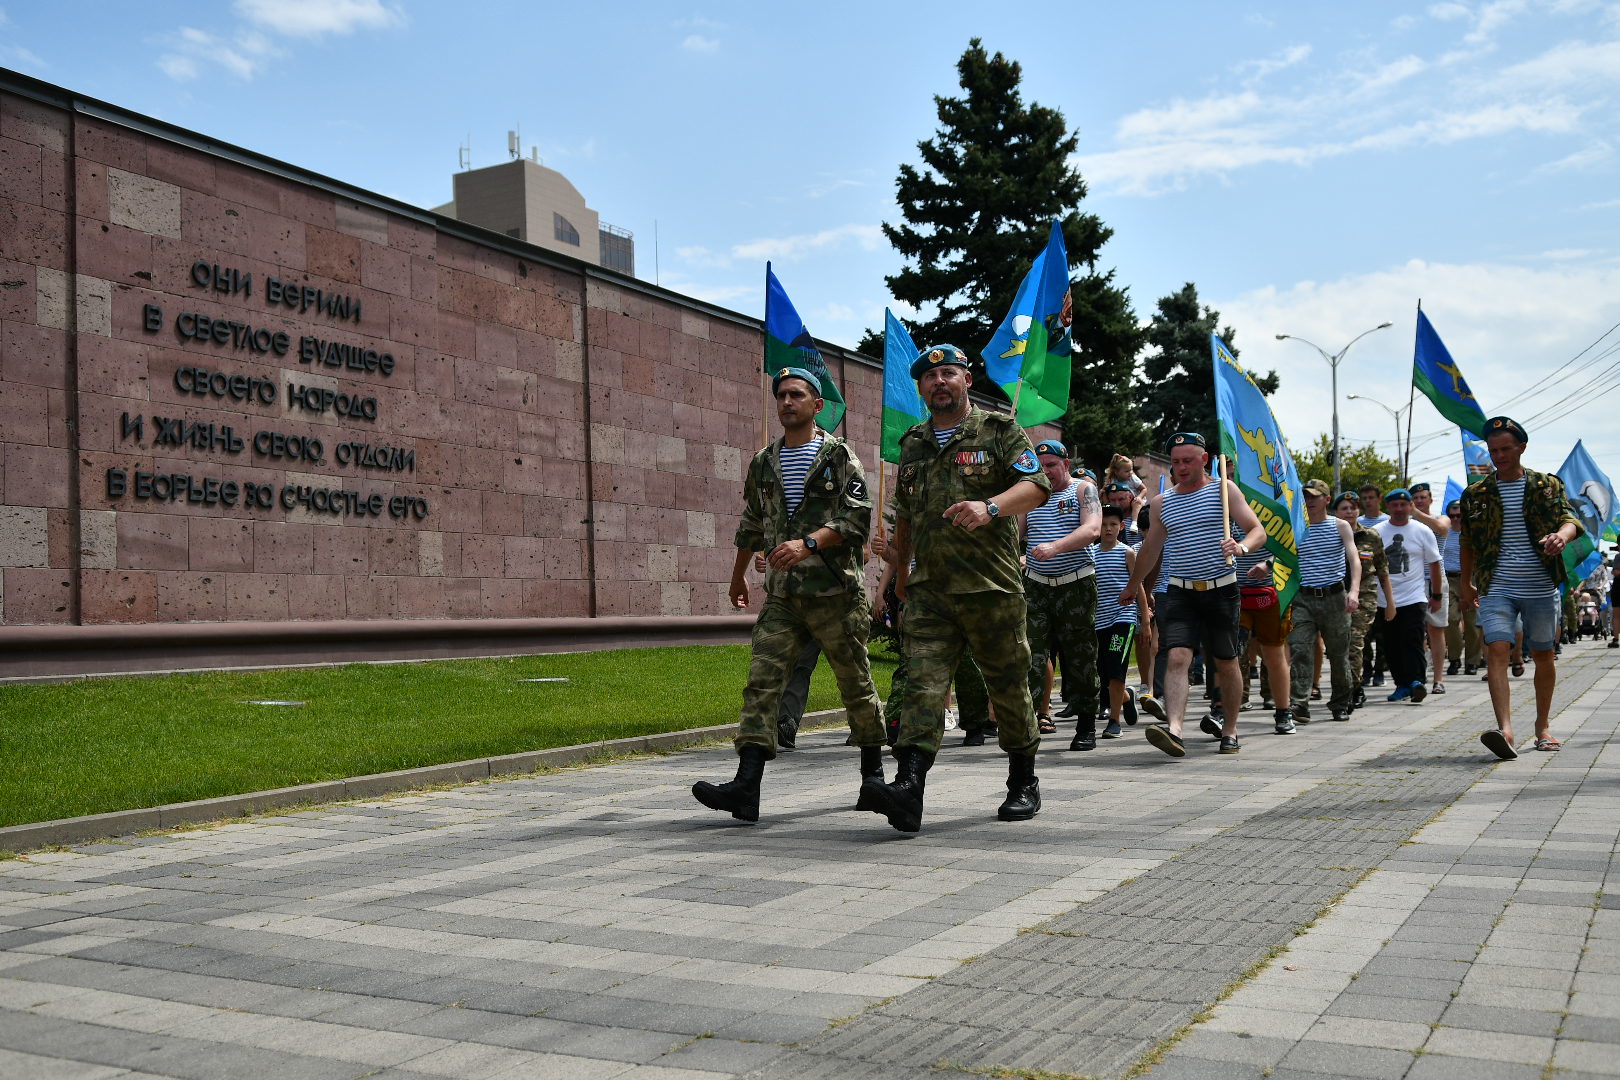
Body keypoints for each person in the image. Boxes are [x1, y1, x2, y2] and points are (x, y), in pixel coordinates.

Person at [870, 344, 1052, 831]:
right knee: (921, 689)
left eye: (949, 373)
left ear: (967, 380)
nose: (939, 382)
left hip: (990, 587)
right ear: (921, 388)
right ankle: (908, 789)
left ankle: (1023, 780)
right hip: (930, 590)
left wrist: (989, 506)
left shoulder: (998, 430)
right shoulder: (913, 441)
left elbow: (1036, 487)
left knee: (1008, 686)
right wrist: (898, 577)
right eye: (930, 378)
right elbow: (906, 514)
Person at [692, 366, 885, 822]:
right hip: (783, 597)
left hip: (835, 593)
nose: (786, 402)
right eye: (780, 395)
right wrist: (738, 576)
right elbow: (752, 523)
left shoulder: (839, 457)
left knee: (855, 684)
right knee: (762, 683)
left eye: (796, 395)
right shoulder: (764, 461)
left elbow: (857, 518)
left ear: (817, 406)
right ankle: (746, 786)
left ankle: (874, 778)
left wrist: (809, 543)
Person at [1119, 432, 1267, 757]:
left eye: (1188, 460)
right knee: (1177, 657)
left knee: (1226, 662)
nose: (1182, 467)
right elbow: (1150, 549)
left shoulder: (1224, 491)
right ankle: (1174, 729)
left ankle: (1229, 728)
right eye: (1175, 462)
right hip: (1181, 591)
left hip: (1222, 589)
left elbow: (1258, 530)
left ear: (1204, 459)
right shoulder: (1162, 503)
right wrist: (1134, 586)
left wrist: (1241, 546)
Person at [1458, 416, 1584, 759]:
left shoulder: (1546, 485)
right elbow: (1467, 540)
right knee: (1496, 648)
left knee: (1543, 654)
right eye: (1493, 450)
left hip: (1541, 585)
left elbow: (1570, 519)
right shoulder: (1476, 493)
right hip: (1496, 584)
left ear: (1522, 448)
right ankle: (1506, 730)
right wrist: (1466, 584)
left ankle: (1542, 727)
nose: (1498, 456)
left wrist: (1561, 536)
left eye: (1505, 449)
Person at [1022, 439, 1101, 747]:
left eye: (1052, 466)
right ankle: (1027, 725)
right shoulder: (1032, 495)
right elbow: (1015, 533)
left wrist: (1056, 547)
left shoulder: (1082, 490)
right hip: (1037, 586)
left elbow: (1092, 529)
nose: (1047, 472)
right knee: (1031, 655)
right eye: (1041, 468)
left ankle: (1086, 724)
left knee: (1080, 655)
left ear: (1066, 465)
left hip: (1075, 584)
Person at [1288, 479, 1362, 723]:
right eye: (1306, 497)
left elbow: (1354, 559)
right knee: (1300, 650)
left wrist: (1354, 591)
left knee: (1339, 655)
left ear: (1326, 499)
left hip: (1334, 597)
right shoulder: (1296, 527)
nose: (1309, 501)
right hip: (1303, 597)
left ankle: (1340, 702)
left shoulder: (1340, 526)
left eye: (1314, 497)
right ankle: (1299, 703)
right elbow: (1285, 558)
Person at [1376, 489, 1443, 704]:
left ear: (1410, 506)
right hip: (1385, 599)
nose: (1399, 509)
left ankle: (1416, 681)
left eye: (1403, 505)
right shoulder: (1377, 532)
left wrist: (1437, 594)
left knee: (1413, 640)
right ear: (1388, 507)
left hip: (1414, 597)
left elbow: (1434, 564)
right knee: (1391, 644)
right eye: (1394, 505)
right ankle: (1401, 685)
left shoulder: (1422, 530)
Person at [1336, 491, 1394, 708]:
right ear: (1336, 512)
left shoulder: (1371, 535)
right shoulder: (1332, 533)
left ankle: (1354, 689)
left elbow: (1382, 570)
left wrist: (1390, 602)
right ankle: (1350, 684)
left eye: (1353, 507)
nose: (1350, 511)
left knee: (1355, 642)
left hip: (1364, 596)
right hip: (1336, 594)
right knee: (1341, 645)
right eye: (1344, 508)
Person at [1093, 505, 1145, 739]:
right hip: (1098, 621)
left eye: (1113, 524)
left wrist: (1144, 619)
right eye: (1103, 524)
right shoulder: (1090, 553)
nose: (1108, 529)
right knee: (1102, 672)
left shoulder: (1127, 553)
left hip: (1122, 618)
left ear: (1121, 526)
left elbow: (1138, 586)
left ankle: (1114, 721)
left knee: (1115, 668)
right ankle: (1125, 697)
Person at [1408, 482, 1452, 694]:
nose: (1419, 501)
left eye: (1422, 498)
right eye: (1415, 499)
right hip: (1413, 581)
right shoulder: (1406, 523)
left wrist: (1415, 513)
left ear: (1430, 499)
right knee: (1414, 631)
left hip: (1436, 580)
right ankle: (1417, 676)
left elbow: (1441, 529)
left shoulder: (1441, 518)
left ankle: (1438, 679)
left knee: (1436, 629)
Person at [1440, 499, 1483, 676]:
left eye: (1459, 515)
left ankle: (1472, 661)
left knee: (1472, 623)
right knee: (1450, 619)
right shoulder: (1444, 533)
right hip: (1449, 579)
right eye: (1452, 515)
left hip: (1470, 578)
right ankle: (1454, 658)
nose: (1456, 518)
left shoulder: (1472, 533)